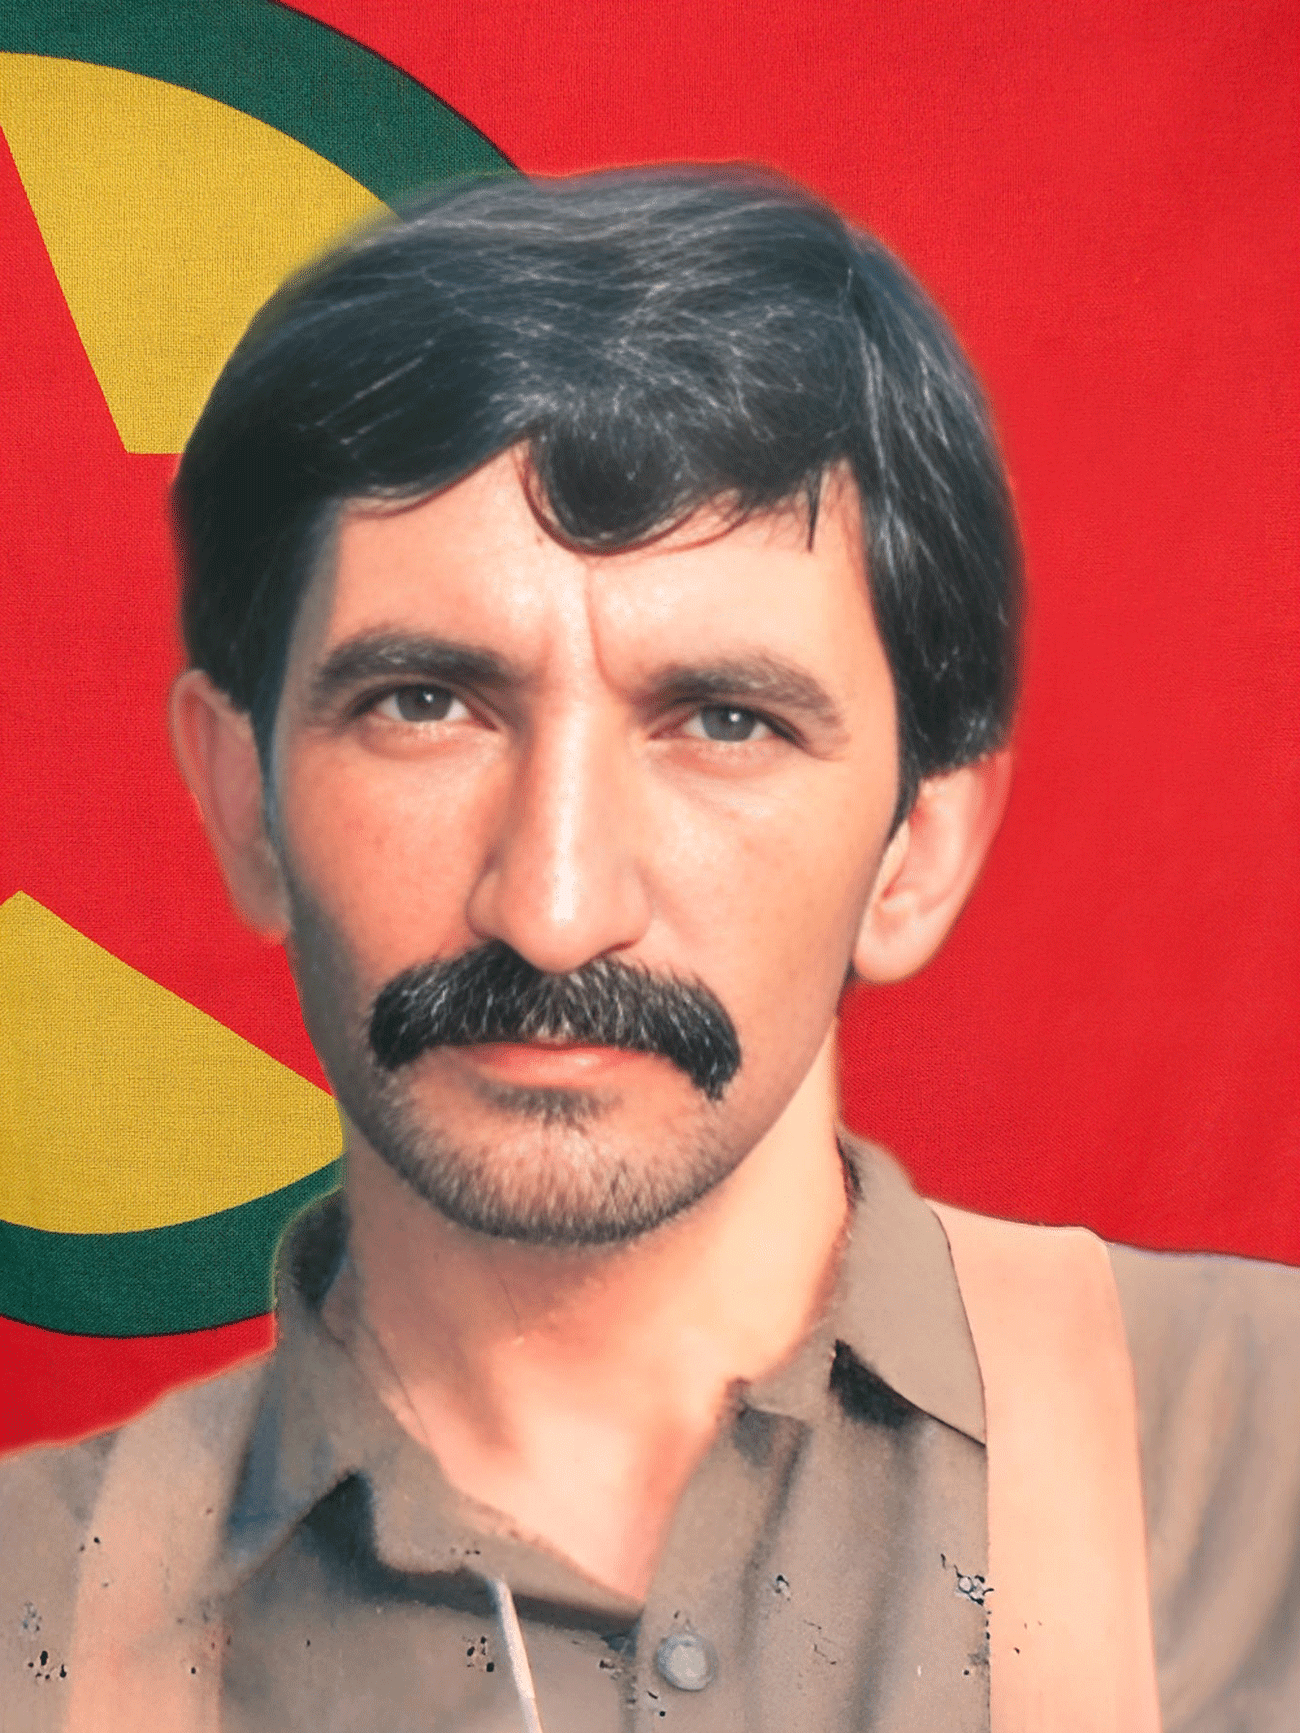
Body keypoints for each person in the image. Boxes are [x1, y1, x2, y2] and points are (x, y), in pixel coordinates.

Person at [3, 167, 1298, 1733]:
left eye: (724, 722)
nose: (554, 908)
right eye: (425, 705)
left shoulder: (1269, 1475)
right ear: (242, 804)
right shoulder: (25, 1621)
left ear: (919, 850)